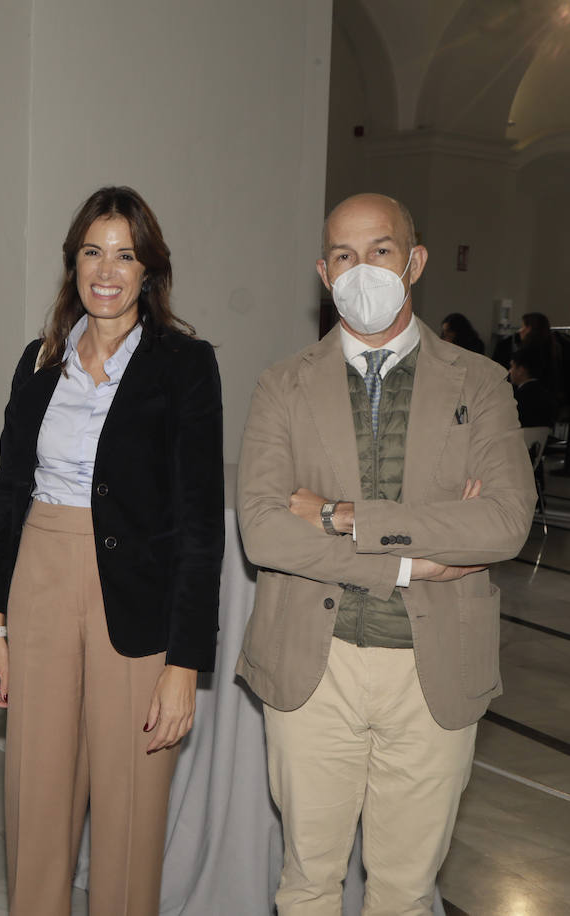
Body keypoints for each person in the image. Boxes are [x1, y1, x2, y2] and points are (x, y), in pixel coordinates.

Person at [236, 192, 536, 914]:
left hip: (432, 671)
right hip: (316, 662)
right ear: (322, 270)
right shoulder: (283, 385)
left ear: (416, 261)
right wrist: (412, 557)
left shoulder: (482, 384)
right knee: (308, 883)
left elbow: (501, 523)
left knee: (404, 891)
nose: (360, 268)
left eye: (380, 250)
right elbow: (265, 530)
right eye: (343, 254)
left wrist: (341, 516)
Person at [0, 186, 223, 914]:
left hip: (138, 597)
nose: (106, 269)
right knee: (36, 795)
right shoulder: (40, 359)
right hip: (41, 579)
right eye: (92, 251)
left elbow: (200, 522)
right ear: (73, 263)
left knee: (130, 808)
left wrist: (185, 663)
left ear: (151, 270)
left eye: (125, 254)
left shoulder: (185, 364)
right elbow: (9, 493)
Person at [509, 347, 557, 429]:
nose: (509, 371)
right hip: (540, 441)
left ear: (521, 370)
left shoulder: (517, 398)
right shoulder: (547, 395)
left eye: (512, 366)